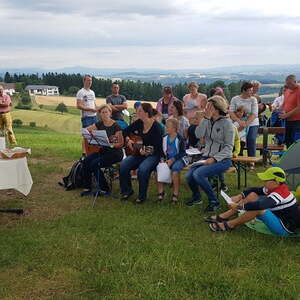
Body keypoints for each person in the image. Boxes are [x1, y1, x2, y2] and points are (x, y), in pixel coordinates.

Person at [207, 167, 300, 236]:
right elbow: (255, 190)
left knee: (258, 209)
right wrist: (240, 196)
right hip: (277, 216)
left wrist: (240, 206)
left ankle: (229, 225)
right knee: (253, 195)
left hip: (285, 228)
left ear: (276, 182)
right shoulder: (275, 187)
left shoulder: (281, 193)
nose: (263, 182)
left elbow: (261, 205)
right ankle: (225, 216)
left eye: (266, 180)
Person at [185, 96, 234, 211]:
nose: (206, 108)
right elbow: (198, 134)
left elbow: (229, 147)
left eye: (209, 107)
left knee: (198, 174)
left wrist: (215, 159)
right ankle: (197, 197)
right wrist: (205, 119)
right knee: (189, 176)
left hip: (223, 160)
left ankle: (214, 202)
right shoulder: (207, 121)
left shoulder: (227, 124)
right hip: (206, 156)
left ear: (217, 108)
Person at [120, 103, 163, 204]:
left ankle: (142, 196)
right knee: (124, 165)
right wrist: (128, 140)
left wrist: (146, 150)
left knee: (143, 170)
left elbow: (158, 148)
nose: (137, 113)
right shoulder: (139, 122)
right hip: (139, 152)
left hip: (153, 155)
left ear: (146, 113)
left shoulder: (157, 127)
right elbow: (125, 131)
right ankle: (127, 191)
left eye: (140, 111)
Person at [80, 105, 124, 196]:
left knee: (95, 164)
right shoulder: (99, 123)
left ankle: (105, 189)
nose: (104, 114)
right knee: (86, 160)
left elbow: (120, 143)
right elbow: (86, 131)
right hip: (104, 152)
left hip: (115, 153)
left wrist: (111, 144)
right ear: (100, 114)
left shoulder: (116, 126)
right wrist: (90, 133)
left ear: (110, 113)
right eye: (102, 112)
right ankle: (87, 187)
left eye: (106, 112)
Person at [229, 82, 259, 170]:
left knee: (251, 139)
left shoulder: (253, 99)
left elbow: (254, 114)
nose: (251, 92)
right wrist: (239, 121)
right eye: (250, 90)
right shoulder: (235, 99)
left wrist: (245, 124)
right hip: (237, 122)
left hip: (252, 123)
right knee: (235, 139)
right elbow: (231, 112)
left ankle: (251, 161)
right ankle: (235, 160)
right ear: (244, 90)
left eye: (252, 90)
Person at [157, 118, 186, 203]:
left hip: (178, 159)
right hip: (166, 159)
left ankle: (175, 194)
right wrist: (162, 159)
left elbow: (182, 153)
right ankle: (161, 192)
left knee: (175, 170)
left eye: (168, 127)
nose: (166, 128)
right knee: (159, 168)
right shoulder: (164, 138)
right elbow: (161, 151)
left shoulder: (180, 138)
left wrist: (173, 160)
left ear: (174, 129)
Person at [76, 75, 98, 155]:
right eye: (88, 80)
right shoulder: (81, 92)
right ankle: (84, 152)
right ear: (84, 81)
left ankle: (92, 150)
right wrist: (90, 109)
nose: (90, 82)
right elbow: (78, 105)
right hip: (86, 117)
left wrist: (97, 109)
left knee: (95, 135)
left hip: (94, 116)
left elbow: (94, 104)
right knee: (86, 135)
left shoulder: (92, 92)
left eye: (91, 80)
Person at [279, 74, 300, 148]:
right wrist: (280, 110)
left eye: (290, 84)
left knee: (295, 141)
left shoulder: (299, 90)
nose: (288, 86)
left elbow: (299, 108)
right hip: (288, 120)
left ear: (295, 81)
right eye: (287, 84)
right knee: (288, 140)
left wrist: (286, 115)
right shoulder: (288, 90)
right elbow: (285, 103)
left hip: (297, 121)